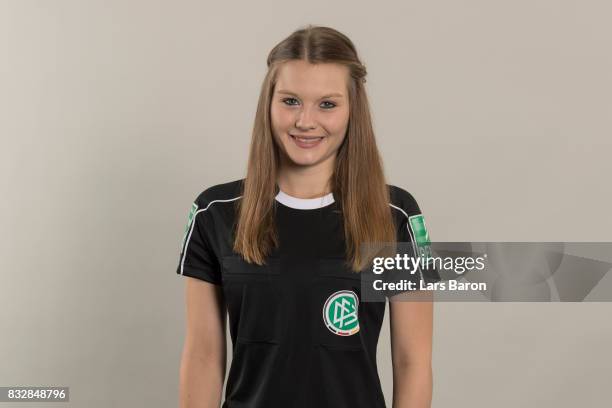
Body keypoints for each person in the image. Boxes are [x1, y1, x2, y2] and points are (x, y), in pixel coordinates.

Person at [176, 24, 440, 408]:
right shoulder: (213, 212)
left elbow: (412, 362)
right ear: (269, 103)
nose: (305, 121)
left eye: (327, 104)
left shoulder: (395, 214)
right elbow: (203, 358)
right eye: (291, 101)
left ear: (353, 111)